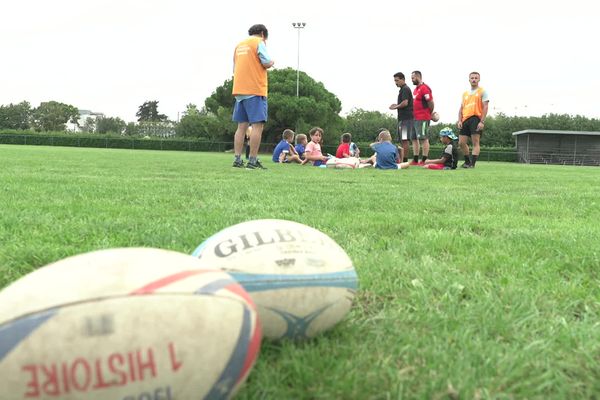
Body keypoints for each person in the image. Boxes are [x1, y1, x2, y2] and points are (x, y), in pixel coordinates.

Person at [231, 24, 274, 170]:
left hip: (239, 90)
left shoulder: (239, 45)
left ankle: (237, 159)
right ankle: (252, 160)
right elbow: (266, 62)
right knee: (257, 126)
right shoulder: (258, 42)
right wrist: (272, 62)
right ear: (263, 34)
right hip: (255, 89)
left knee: (241, 126)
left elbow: (234, 67)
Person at [457, 71, 489, 168]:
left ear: (479, 79)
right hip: (465, 119)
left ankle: (472, 164)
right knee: (461, 143)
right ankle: (467, 161)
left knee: (475, 142)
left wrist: (482, 121)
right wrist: (459, 120)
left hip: (475, 118)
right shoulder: (465, 94)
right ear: (469, 79)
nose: (474, 79)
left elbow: (486, 107)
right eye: (472, 78)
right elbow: (461, 108)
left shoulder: (482, 91)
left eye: (476, 78)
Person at [411, 71, 435, 165]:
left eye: (413, 78)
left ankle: (424, 159)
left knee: (423, 138)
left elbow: (431, 102)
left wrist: (430, 113)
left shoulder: (425, 88)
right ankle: (415, 159)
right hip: (414, 117)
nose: (412, 80)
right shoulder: (416, 89)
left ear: (418, 77)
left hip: (423, 117)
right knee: (414, 138)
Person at [389, 72, 413, 163]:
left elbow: (405, 103)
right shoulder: (402, 89)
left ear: (403, 79)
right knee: (402, 140)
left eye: (397, 80)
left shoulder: (405, 89)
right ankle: (403, 159)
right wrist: (397, 105)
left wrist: (395, 107)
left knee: (404, 139)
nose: (396, 82)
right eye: (395, 81)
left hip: (406, 119)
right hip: (403, 119)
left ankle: (405, 160)